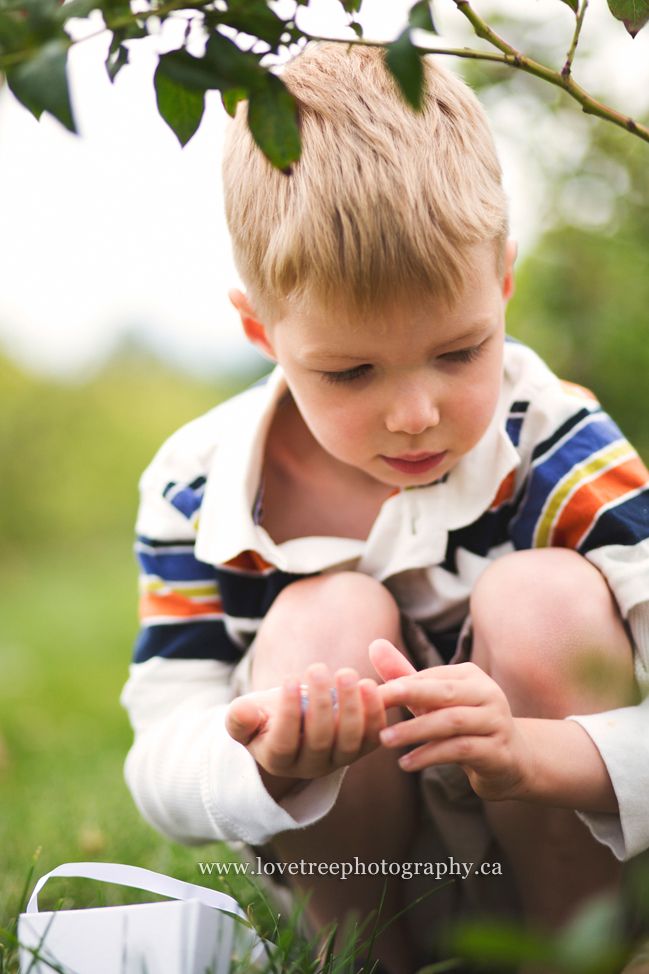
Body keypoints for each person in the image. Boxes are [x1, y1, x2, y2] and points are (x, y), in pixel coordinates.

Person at [121, 43, 649, 973]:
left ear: (502, 285)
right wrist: (264, 763)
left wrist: (533, 753)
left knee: (542, 598)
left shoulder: (558, 450)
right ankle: (367, 959)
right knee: (323, 614)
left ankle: (576, 959)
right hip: (356, 870)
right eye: (350, 370)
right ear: (261, 332)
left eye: (458, 352)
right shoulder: (200, 490)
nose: (416, 413)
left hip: (567, 858)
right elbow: (159, 754)